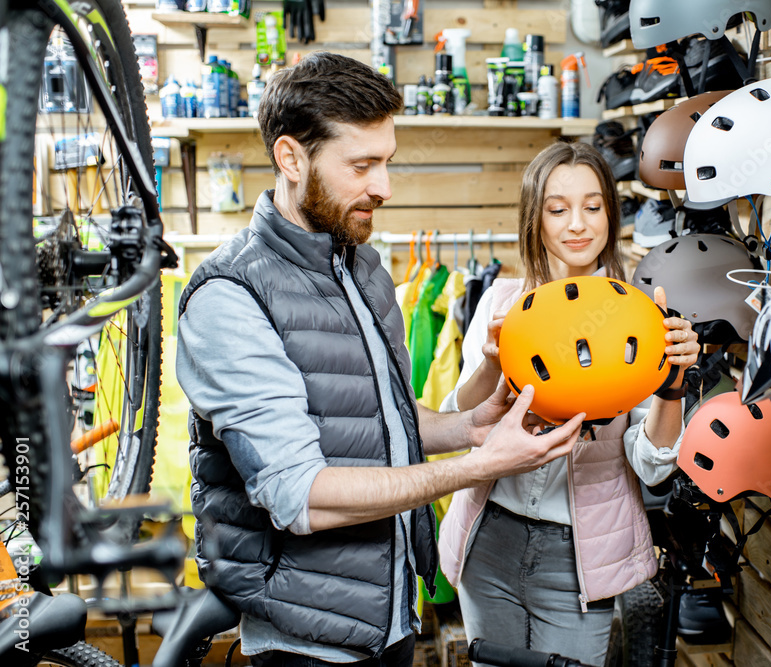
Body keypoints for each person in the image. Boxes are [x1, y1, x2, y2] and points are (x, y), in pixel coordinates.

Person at [175, 52, 585, 667]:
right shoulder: (230, 297)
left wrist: (470, 427)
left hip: (389, 613)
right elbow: (299, 494)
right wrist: (478, 465)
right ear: (291, 158)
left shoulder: (361, 266)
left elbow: (383, 419)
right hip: (304, 634)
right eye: (362, 165)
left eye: (387, 162)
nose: (384, 187)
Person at [437, 142, 702, 666]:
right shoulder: (500, 302)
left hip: (580, 557)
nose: (577, 224)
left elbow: (652, 467)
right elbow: (458, 419)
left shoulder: (643, 319)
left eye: (593, 206)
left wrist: (672, 386)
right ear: (535, 220)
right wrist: (493, 363)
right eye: (558, 209)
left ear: (611, 212)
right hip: (488, 539)